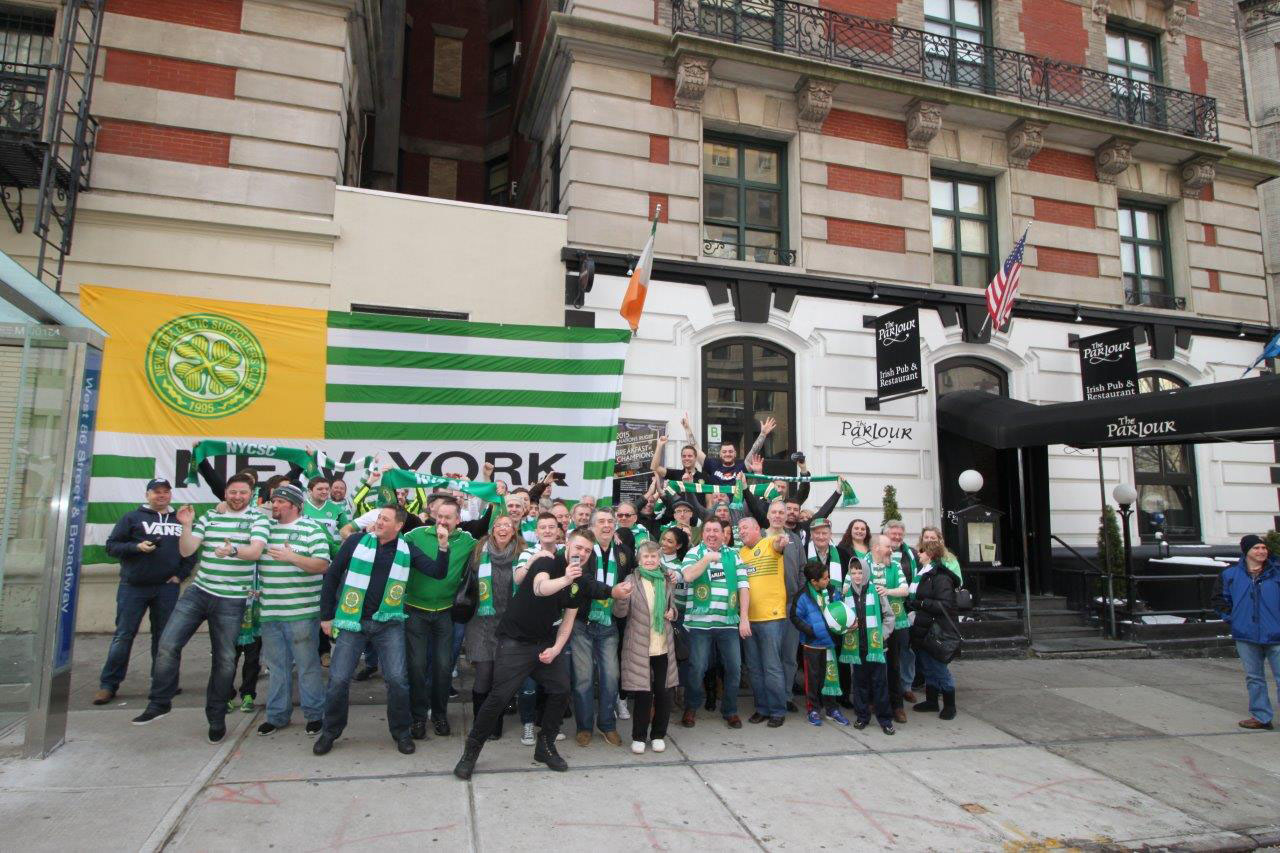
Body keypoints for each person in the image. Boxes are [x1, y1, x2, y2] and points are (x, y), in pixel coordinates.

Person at [453, 529, 628, 779]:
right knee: (499, 697)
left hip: (545, 643)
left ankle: (545, 746)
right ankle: (470, 752)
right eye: (578, 547)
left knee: (561, 689)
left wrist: (556, 649)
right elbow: (540, 588)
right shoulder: (547, 561)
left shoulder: (579, 580)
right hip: (515, 642)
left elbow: (568, 621)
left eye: (588, 550)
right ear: (567, 545)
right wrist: (566, 579)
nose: (582, 553)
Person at [128, 475, 268, 741]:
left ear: (251, 495)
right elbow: (186, 550)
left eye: (243, 492)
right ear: (225, 493)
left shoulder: (258, 519)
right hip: (199, 592)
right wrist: (187, 526)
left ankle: (216, 717)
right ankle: (160, 702)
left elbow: (255, 552)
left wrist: (233, 551)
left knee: (224, 660)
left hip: (232, 599)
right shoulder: (210, 517)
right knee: (167, 644)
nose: (237, 496)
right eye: (233, 491)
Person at [313, 505, 450, 755]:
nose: (379, 522)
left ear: (399, 526)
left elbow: (437, 572)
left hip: (389, 624)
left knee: (397, 680)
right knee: (338, 679)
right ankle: (330, 731)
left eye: (385, 519)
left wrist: (443, 546)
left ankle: (401, 732)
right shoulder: (355, 541)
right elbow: (332, 576)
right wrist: (326, 616)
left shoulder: (407, 549)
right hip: (353, 622)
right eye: (378, 518)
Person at [94, 478, 191, 705]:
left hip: (166, 588)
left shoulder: (180, 520)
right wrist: (136, 547)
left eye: (165, 492)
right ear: (147, 495)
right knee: (124, 635)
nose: (161, 495)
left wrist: (180, 575)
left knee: (165, 638)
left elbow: (190, 551)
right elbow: (112, 546)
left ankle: (164, 683)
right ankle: (108, 685)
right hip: (133, 587)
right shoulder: (132, 518)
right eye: (156, 492)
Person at [256, 484, 332, 736]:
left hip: (302, 612)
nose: (274, 505)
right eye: (273, 501)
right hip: (270, 612)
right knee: (277, 667)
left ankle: (315, 714)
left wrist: (292, 558)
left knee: (307, 665)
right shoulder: (264, 530)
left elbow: (322, 565)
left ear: (294, 505)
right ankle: (277, 716)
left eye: (279, 501)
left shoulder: (312, 529)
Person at [402, 497, 474, 738]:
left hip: (445, 613)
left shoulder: (466, 541)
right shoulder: (415, 535)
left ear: (458, 520)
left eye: (448, 517)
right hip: (415, 610)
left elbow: (495, 529)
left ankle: (440, 715)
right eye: (439, 516)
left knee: (443, 667)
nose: (442, 521)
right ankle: (418, 717)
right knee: (416, 666)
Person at [571, 507, 633, 746]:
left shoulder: (623, 552)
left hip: (609, 624)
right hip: (581, 623)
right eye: (601, 522)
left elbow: (634, 574)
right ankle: (584, 726)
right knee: (583, 678)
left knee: (610, 677)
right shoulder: (583, 551)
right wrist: (611, 591)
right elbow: (583, 581)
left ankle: (607, 724)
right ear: (591, 526)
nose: (606, 525)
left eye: (610, 521)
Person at [679, 518, 749, 728]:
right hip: (700, 624)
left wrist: (744, 618)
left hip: (728, 622)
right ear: (703, 533)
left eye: (716, 530)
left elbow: (744, 587)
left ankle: (730, 710)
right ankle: (691, 707)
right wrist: (708, 558)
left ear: (723, 534)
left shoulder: (734, 555)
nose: (711, 534)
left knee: (734, 668)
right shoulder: (694, 553)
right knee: (697, 667)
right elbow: (688, 575)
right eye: (707, 530)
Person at [614, 541, 679, 753]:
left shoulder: (666, 580)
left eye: (653, 556)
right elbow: (620, 613)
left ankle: (658, 735)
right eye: (646, 557)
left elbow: (672, 607)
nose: (650, 560)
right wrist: (622, 598)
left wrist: (672, 612)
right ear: (639, 560)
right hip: (640, 646)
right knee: (643, 694)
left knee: (664, 693)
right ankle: (639, 737)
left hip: (663, 646)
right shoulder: (630, 580)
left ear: (659, 559)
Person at [463, 514, 524, 741]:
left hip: (508, 623)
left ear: (514, 530)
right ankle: (480, 723)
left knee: (500, 676)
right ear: (491, 529)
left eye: (508, 525)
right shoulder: (477, 551)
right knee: (484, 673)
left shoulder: (522, 554)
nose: (503, 528)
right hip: (481, 621)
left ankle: (494, 722)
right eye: (498, 525)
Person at [1211, 534, 1280, 730]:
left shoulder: (1277, 573)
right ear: (1246, 551)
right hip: (1246, 635)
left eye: (1263, 548)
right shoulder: (1230, 575)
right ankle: (1261, 716)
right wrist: (1233, 619)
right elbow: (1219, 599)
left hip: (1276, 634)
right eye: (1256, 548)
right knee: (1254, 678)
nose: (1261, 551)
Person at [737, 516, 790, 726]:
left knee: (772, 666)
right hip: (748, 620)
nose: (741, 531)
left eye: (745, 528)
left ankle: (777, 711)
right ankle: (762, 708)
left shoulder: (769, 543)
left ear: (757, 528)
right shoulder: (741, 553)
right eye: (739, 529)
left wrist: (781, 542)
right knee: (754, 668)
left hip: (771, 618)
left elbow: (779, 544)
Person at [790, 560, 850, 727]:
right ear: (814, 582)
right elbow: (795, 617)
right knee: (813, 678)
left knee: (830, 676)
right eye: (824, 578)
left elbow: (839, 608)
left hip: (829, 643)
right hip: (812, 645)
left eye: (828, 577)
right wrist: (811, 630)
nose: (828, 580)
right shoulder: (802, 596)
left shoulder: (832, 591)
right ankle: (813, 709)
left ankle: (832, 709)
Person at [907, 539, 962, 721]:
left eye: (921, 551)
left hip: (937, 630)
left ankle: (950, 705)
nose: (918, 554)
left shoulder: (941, 577)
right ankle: (931, 701)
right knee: (927, 666)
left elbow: (944, 605)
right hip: (924, 627)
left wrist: (921, 603)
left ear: (929, 554)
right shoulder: (924, 573)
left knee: (939, 668)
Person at [842, 556, 896, 734]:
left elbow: (889, 616)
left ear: (866, 572)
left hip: (877, 647)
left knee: (880, 684)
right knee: (859, 684)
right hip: (857, 647)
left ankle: (885, 719)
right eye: (853, 572)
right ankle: (862, 716)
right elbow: (842, 619)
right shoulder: (846, 594)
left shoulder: (877, 592)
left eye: (860, 572)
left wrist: (882, 635)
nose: (857, 576)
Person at [806, 518, 854, 708]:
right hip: (814, 608)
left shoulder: (842, 553)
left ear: (830, 534)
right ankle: (819, 696)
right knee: (818, 656)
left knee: (839, 653)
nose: (820, 536)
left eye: (824, 532)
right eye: (817, 533)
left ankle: (842, 695)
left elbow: (850, 576)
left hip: (838, 610)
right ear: (811, 535)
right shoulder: (805, 552)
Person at [880, 520, 914, 720]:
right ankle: (876, 701)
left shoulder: (899, 562)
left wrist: (887, 591)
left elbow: (905, 588)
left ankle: (897, 704)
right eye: (886, 545)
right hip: (874, 618)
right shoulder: (866, 563)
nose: (890, 548)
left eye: (900, 534)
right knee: (875, 663)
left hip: (897, 616)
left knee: (894, 661)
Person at [703, 417, 774, 484]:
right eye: (724, 452)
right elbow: (696, 451)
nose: (727, 454)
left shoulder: (741, 468)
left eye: (730, 451)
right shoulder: (713, 466)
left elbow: (754, 451)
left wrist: (763, 434)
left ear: (735, 454)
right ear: (720, 454)